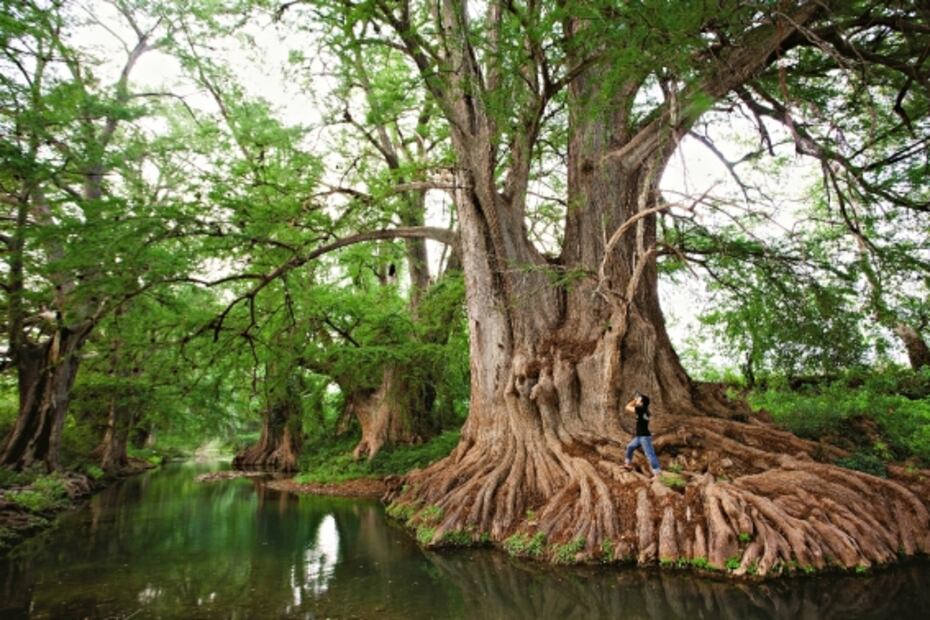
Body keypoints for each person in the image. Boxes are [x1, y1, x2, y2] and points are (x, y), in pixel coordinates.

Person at [623, 392, 661, 476]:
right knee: (630, 447)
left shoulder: (641, 409)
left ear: (642, 402)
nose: (637, 400)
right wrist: (638, 399)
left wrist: (634, 400)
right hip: (639, 437)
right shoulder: (644, 410)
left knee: (649, 454)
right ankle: (627, 464)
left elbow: (627, 407)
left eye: (639, 399)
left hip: (644, 437)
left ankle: (657, 474)